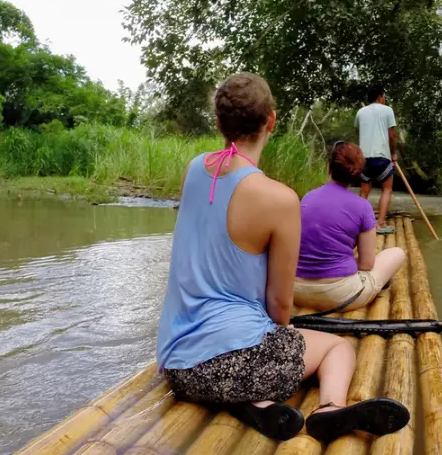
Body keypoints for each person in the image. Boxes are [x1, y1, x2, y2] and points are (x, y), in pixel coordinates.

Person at [156, 73, 409, 443]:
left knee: (241, 365)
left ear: (218, 123)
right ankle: (330, 410)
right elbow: (279, 302)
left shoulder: (196, 168)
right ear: (271, 120)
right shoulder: (280, 199)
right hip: (231, 363)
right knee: (337, 348)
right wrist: (286, 332)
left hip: (177, 365)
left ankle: (252, 404)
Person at [294, 141, 407, 313]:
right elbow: (367, 264)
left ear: (329, 169)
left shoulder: (308, 198)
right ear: (357, 176)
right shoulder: (362, 206)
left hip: (297, 290)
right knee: (397, 253)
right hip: (340, 295)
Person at [355, 84, 397, 234]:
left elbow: (358, 133)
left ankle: (359, 224)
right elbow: (392, 135)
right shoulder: (388, 110)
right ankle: (380, 223)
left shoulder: (360, 112)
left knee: (364, 191)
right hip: (382, 157)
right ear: (380, 97)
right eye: (384, 96)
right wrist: (393, 154)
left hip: (363, 158)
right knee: (386, 189)